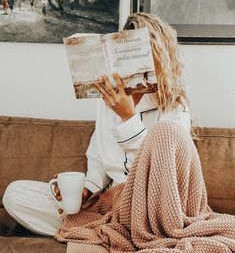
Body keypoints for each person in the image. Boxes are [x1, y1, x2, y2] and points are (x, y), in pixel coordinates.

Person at [2, 13, 235, 251]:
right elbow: (98, 159)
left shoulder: (174, 109)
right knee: (15, 194)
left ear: (158, 58)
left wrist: (128, 117)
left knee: (163, 136)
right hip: (111, 203)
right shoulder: (108, 102)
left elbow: (162, 177)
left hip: (154, 207)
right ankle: (109, 231)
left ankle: (124, 233)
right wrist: (87, 189)